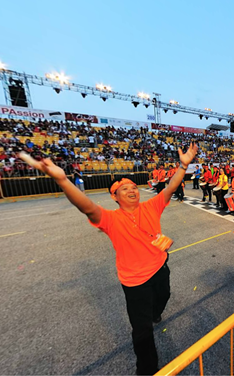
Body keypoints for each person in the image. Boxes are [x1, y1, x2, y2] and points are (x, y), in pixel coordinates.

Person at [19, 143, 199, 375]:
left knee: (164, 296)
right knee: (142, 332)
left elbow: (171, 186)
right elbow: (86, 206)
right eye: (124, 189)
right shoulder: (110, 219)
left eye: (134, 187)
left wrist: (183, 165)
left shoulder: (152, 206)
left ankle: (156, 312)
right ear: (114, 197)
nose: (132, 190)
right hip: (135, 282)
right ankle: (147, 370)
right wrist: (63, 180)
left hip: (160, 266)